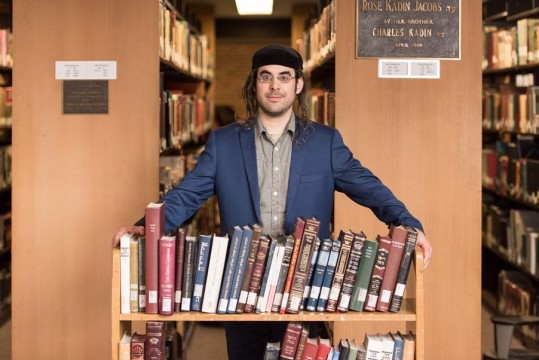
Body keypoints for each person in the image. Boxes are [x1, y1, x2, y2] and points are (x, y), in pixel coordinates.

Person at [112, 44, 433, 360]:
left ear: (298, 84)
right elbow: (187, 194)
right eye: (266, 77)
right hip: (240, 282)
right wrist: (145, 228)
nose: (275, 85)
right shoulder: (224, 143)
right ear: (255, 84)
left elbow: (368, 187)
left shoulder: (325, 142)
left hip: (307, 282)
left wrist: (406, 223)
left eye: (284, 76)